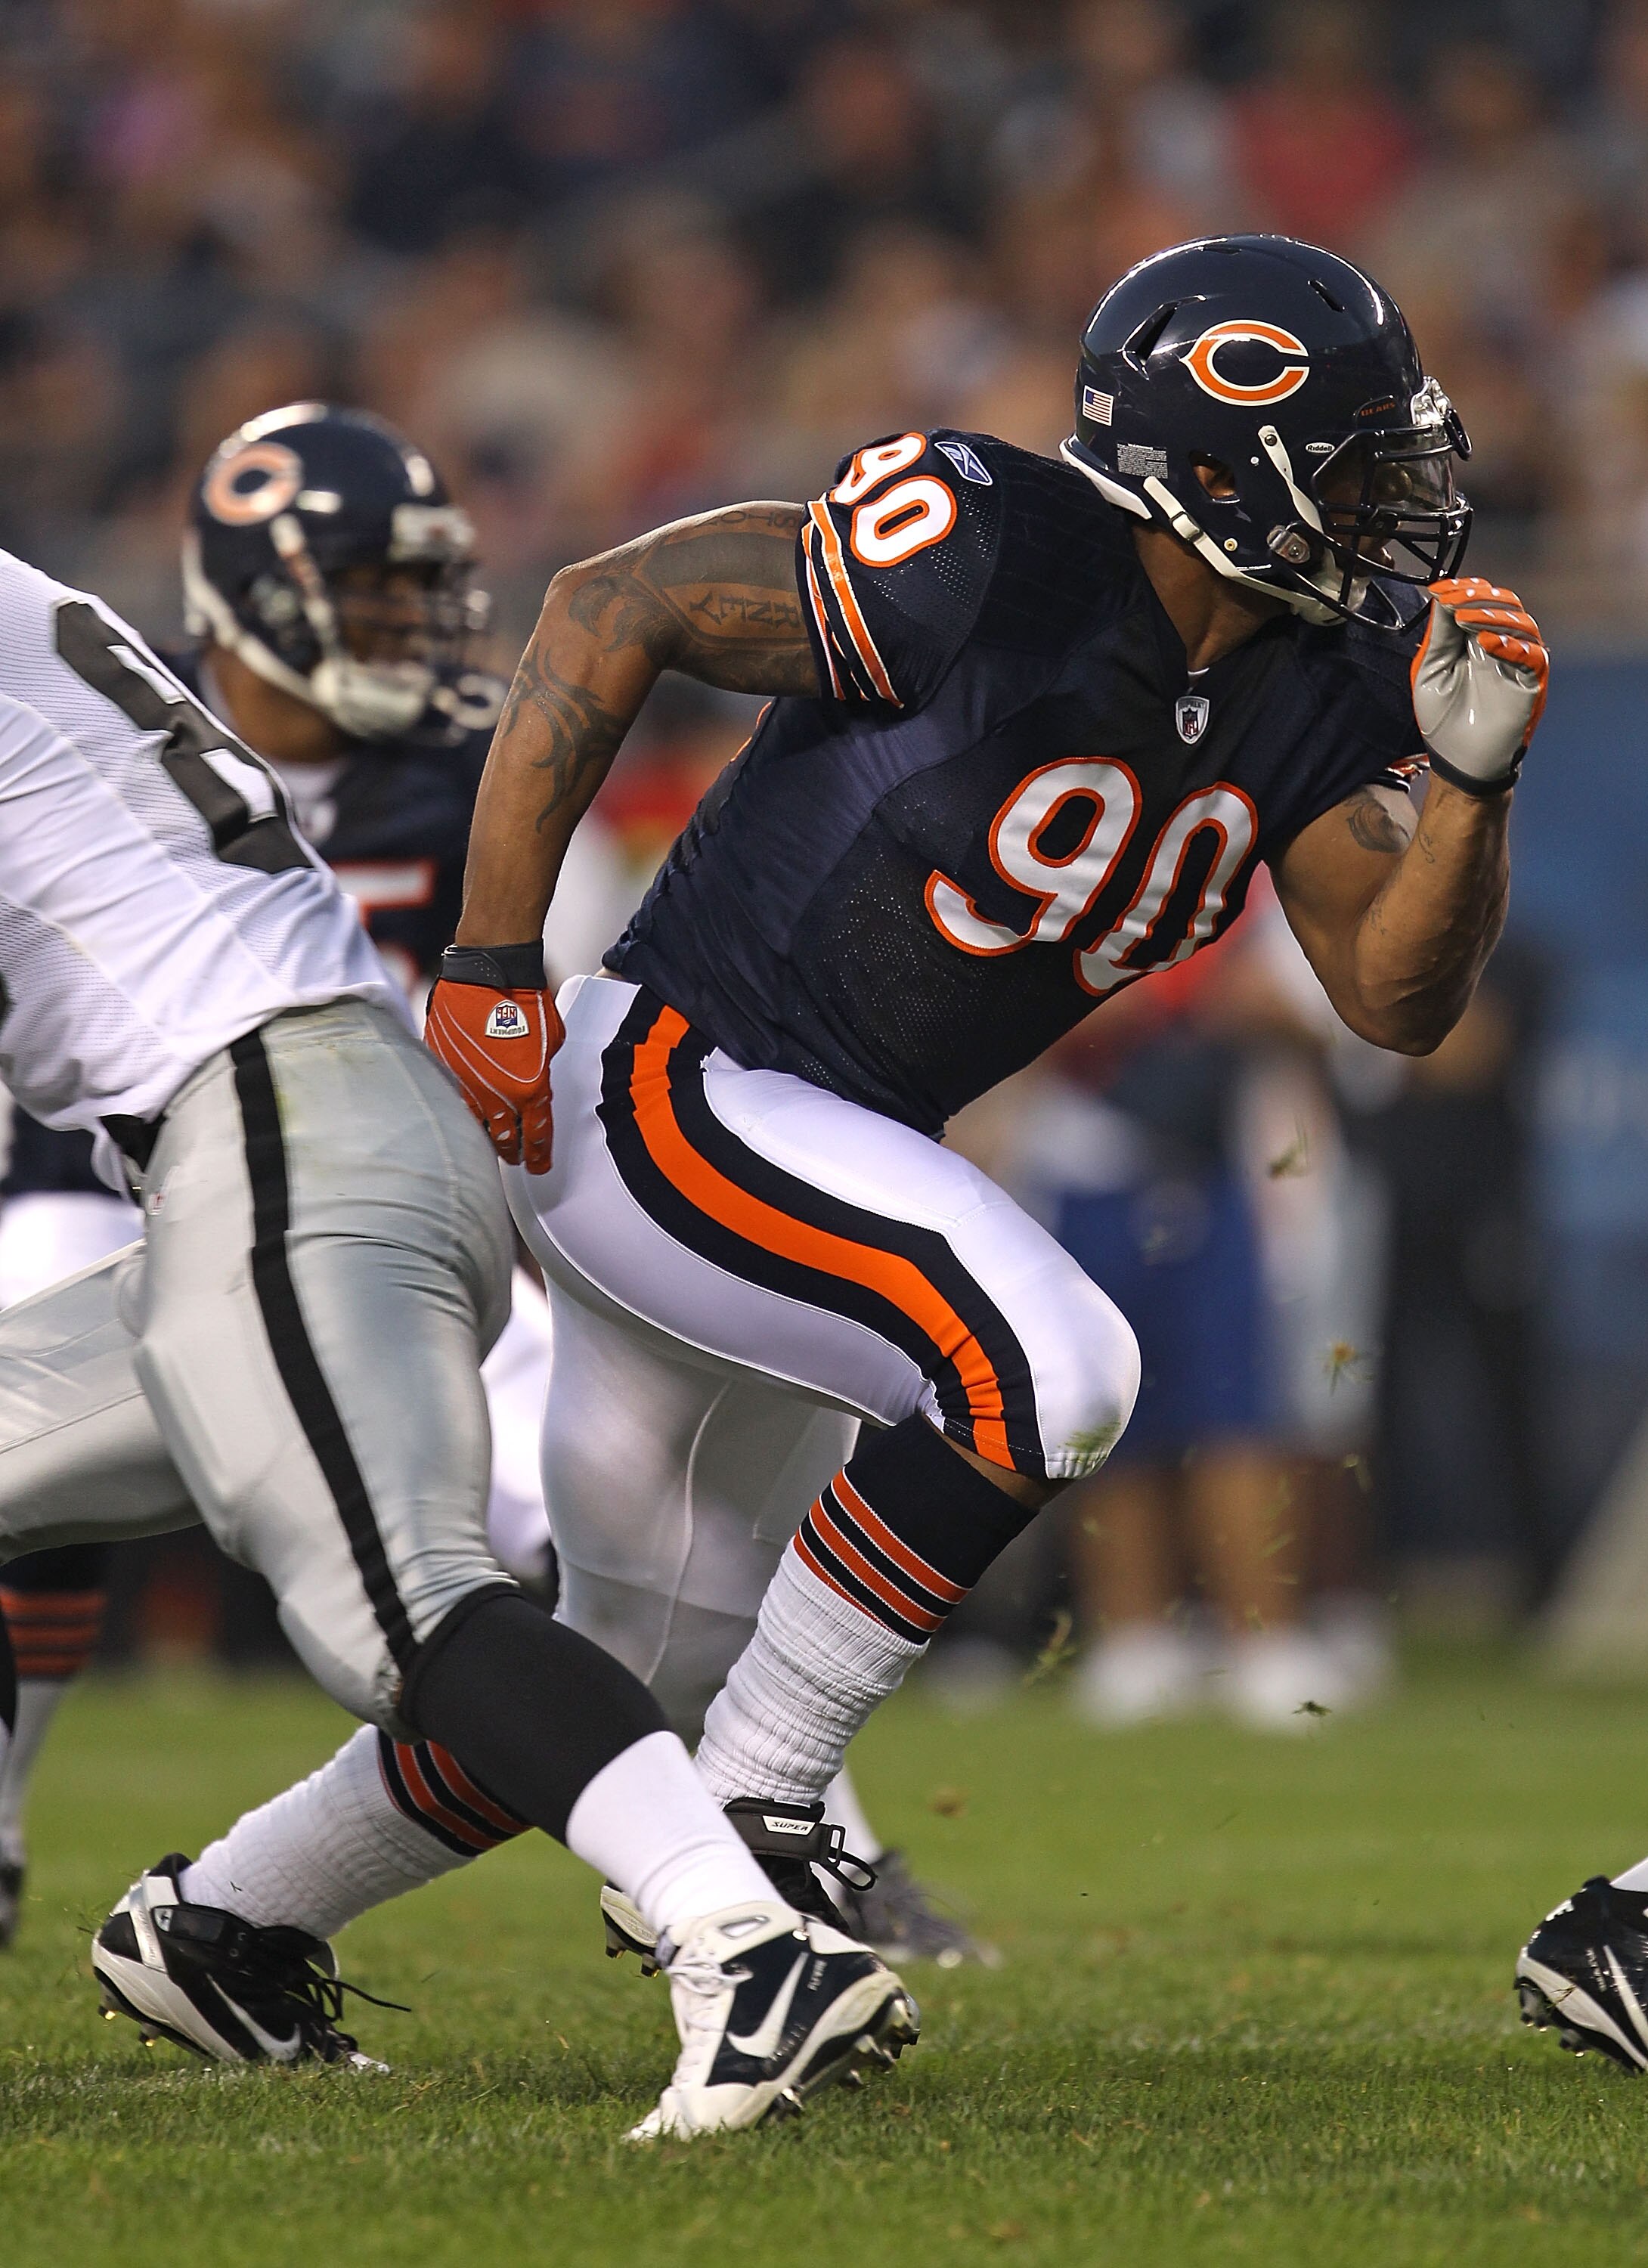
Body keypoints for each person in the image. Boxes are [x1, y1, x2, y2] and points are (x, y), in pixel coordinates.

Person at [132, 233, 1547, 2003]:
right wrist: (491, 958)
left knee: (618, 1671)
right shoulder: (992, 547)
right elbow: (605, 604)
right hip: (677, 1083)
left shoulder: (1323, 681)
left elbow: (1394, 999)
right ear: (1213, 464)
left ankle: (220, 1927)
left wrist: (1473, 793)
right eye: (1348, 466)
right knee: (1051, 1368)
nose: (1391, 506)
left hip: (806, 1146)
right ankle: (767, 1818)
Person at [0, 414, 917, 2139]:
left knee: (403, 1596)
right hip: (268, 1147)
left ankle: (745, 1945)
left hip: (280, 1130)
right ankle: (219, 1949)